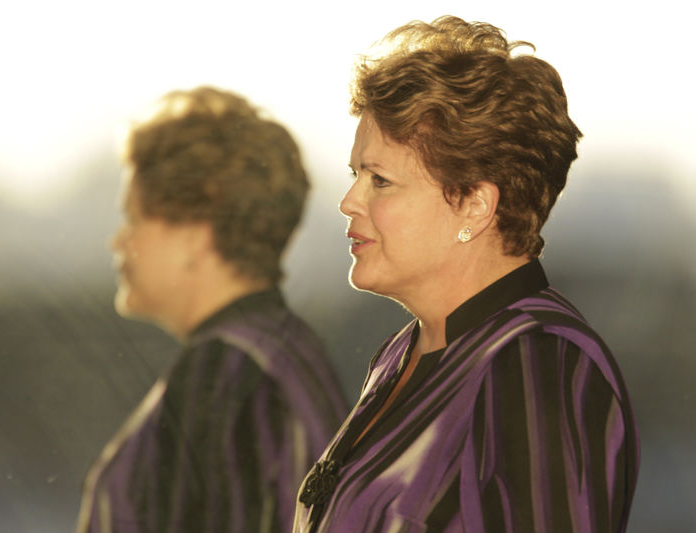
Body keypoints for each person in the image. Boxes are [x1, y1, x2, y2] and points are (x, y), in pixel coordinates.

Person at [293, 16, 639, 533]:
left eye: (380, 180)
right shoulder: (401, 355)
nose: (349, 201)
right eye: (355, 175)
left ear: (475, 206)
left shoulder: (538, 359)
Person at [76, 87, 347, 533]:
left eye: (135, 218)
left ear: (194, 236)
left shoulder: (223, 372)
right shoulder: (285, 350)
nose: (119, 241)